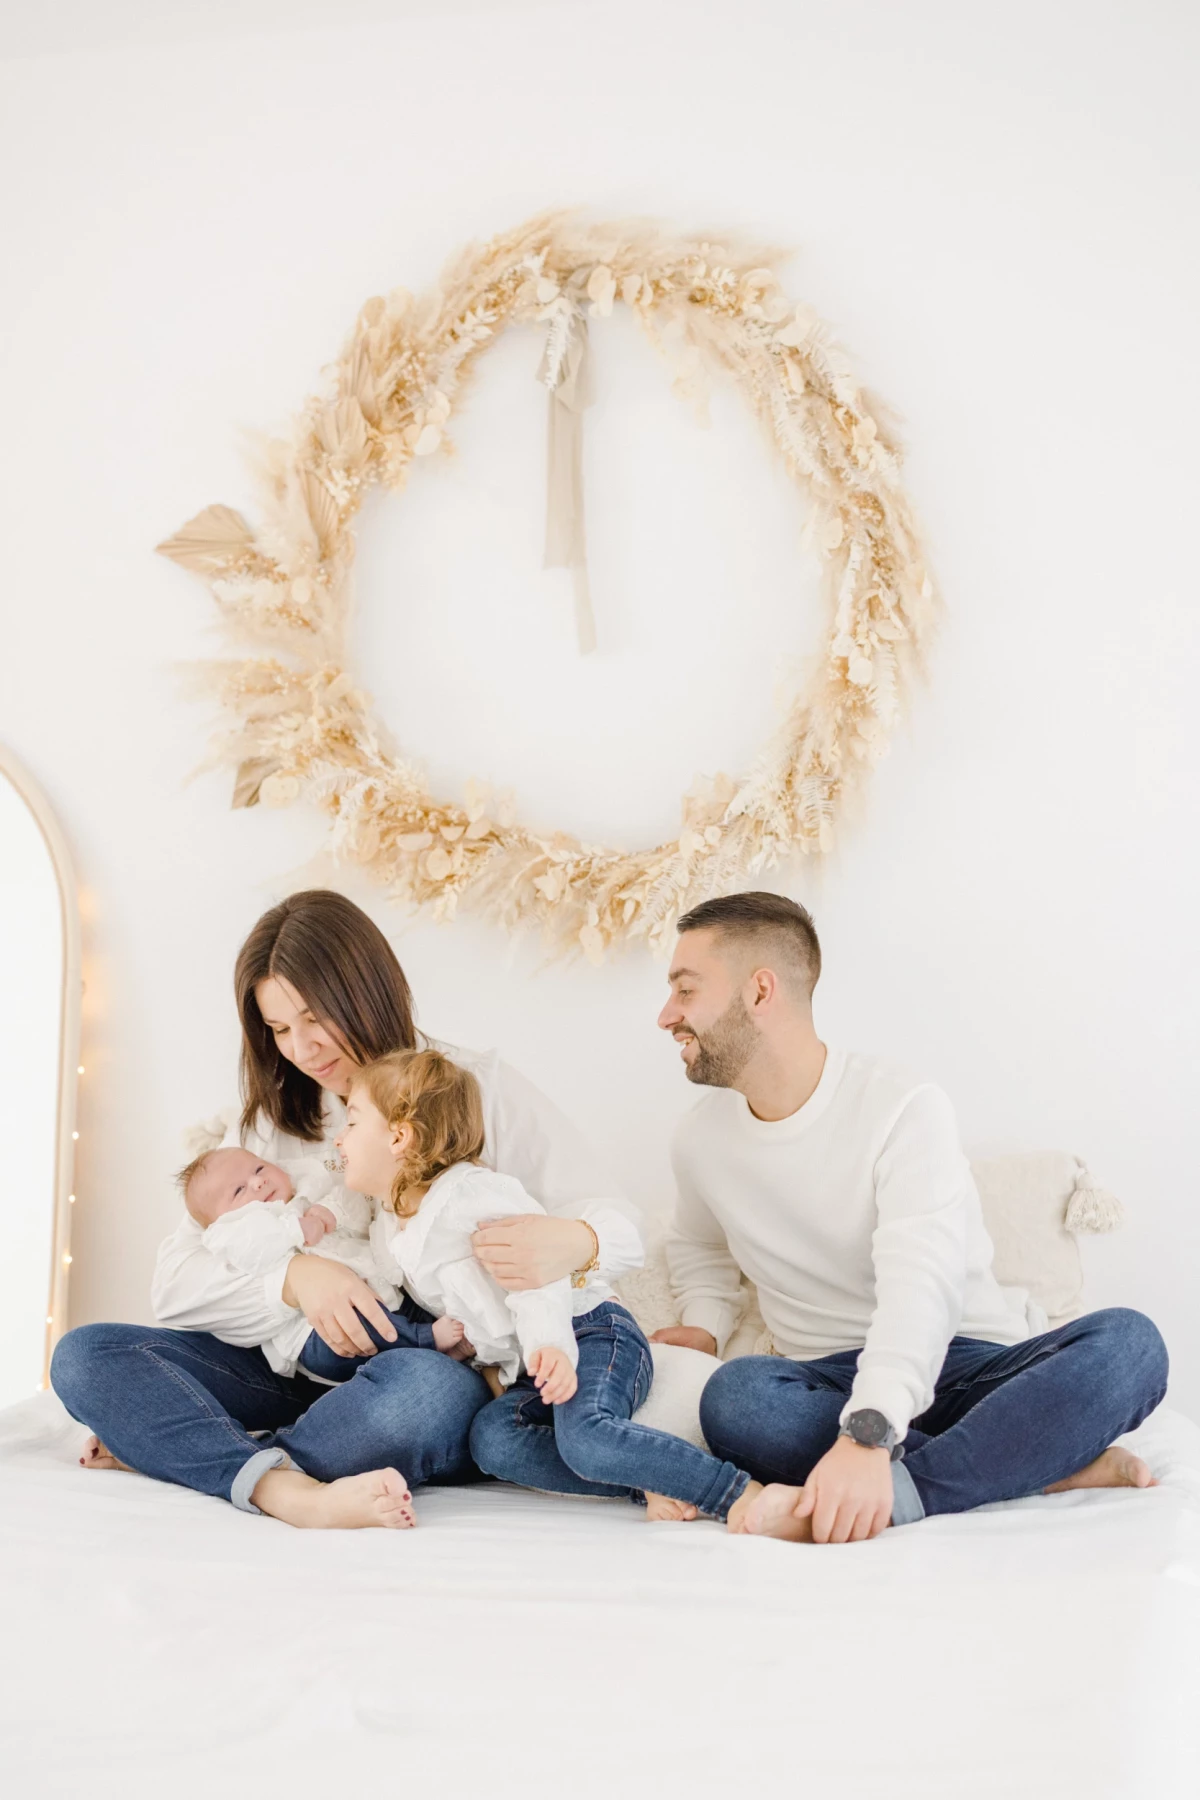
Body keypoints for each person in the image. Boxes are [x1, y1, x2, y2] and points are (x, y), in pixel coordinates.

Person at [51, 889, 642, 1529]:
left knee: (420, 1398)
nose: (301, 1049)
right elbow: (175, 1285)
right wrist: (296, 1279)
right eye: (278, 1029)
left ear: (364, 990)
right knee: (86, 1356)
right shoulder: (271, 1123)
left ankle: (212, 1454)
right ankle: (286, 1488)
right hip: (294, 1368)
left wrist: (574, 1242)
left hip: (421, 1367)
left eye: (314, 1018)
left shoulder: (469, 1085)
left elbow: (616, 1221)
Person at [650, 890, 1168, 1543]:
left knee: (1131, 1345)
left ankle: (904, 1491)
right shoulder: (698, 1140)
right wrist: (703, 1324)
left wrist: (869, 1437)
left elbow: (919, 1288)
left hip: (969, 1360)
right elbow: (701, 1250)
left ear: (759, 992)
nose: (667, 1015)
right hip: (827, 1372)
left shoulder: (901, 1106)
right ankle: (1029, 1462)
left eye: (685, 990)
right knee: (737, 1399)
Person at [345, 1047, 760, 1528]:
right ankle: (642, 1477)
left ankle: (736, 1492)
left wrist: (550, 1344)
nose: (339, 1141)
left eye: (351, 1123)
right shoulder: (398, 1230)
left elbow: (534, 1275)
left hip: (587, 1332)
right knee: (492, 1440)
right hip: (537, 1365)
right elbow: (481, 1306)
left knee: (585, 1436)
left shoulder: (470, 1195)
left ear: (399, 1136)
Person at [179, 1144, 472, 1383]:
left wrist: (328, 1212)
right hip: (318, 1335)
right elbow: (254, 1247)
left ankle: (450, 1345)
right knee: (360, 1327)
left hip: (379, 1292)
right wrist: (295, 1230)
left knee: (409, 1304)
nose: (257, 1181)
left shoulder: (307, 1190)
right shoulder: (234, 1232)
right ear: (219, 1220)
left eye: (259, 1168)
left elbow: (350, 1199)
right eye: (239, 1191)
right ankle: (426, 1339)